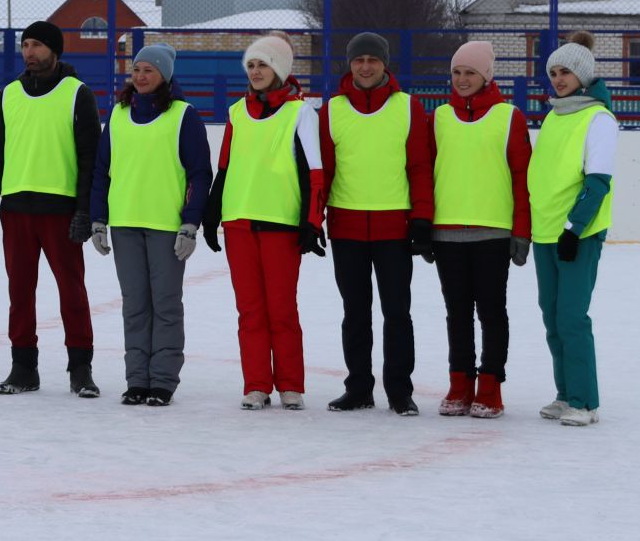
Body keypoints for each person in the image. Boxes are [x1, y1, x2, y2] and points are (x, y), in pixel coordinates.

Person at [0, 20, 102, 398]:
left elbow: (90, 159)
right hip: (15, 208)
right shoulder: (10, 94)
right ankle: (23, 367)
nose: (29, 52)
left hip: (61, 210)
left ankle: (80, 369)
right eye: (25, 45)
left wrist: (85, 211)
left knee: (72, 292)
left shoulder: (77, 93)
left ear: (55, 50)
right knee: (20, 292)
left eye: (37, 46)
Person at [203, 33, 325, 411]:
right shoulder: (237, 112)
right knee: (250, 310)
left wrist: (311, 221)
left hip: (281, 223)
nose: (256, 71)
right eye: (251, 65)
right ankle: (256, 384)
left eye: (263, 65)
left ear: (280, 70)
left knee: (282, 309)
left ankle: (290, 385)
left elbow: (314, 172)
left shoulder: (300, 112)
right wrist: (212, 211)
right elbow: (224, 167)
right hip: (239, 221)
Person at [89, 42, 210, 407]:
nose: (140, 76)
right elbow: (101, 171)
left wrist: (191, 224)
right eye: (136, 69)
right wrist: (99, 219)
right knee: (135, 304)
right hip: (125, 223)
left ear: (164, 76)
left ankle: (162, 380)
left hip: (165, 227)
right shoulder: (119, 114)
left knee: (166, 304)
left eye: (149, 70)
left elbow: (200, 174)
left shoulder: (183, 116)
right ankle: (136, 379)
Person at [319, 32, 434, 415]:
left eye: (373, 59)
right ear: (349, 65)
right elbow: (324, 171)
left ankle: (400, 391)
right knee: (355, 313)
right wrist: (312, 218)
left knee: (397, 313)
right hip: (346, 226)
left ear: (385, 64)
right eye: (358, 60)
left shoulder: (408, 107)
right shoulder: (332, 110)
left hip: (394, 229)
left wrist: (421, 218)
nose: (365, 66)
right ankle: (359, 387)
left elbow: (419, 167)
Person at [429, 40, 532, 419]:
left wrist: (522, 230)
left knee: (491, 310)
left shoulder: (509, 117)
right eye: (456, 72)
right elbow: (425, 175)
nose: (462, 79)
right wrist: (423, 226)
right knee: (456, 311)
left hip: (493, 232)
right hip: (448, 232)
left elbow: (523, 178)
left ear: (486, 75)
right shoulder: (438, 117)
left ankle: (490, 386)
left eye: (470, 72)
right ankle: (460, 382)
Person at [531, 31, 617, 427]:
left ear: (583, 75)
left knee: (572, 316)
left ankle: (585, 401)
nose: (559, 78)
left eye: (566, 71)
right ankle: (565, 394)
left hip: (575, 234)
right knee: (551, 316)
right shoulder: (553, 115)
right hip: (544, 232)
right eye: (554, 71)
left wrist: (573, 228)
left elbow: (597, 181)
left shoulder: (598, 118)